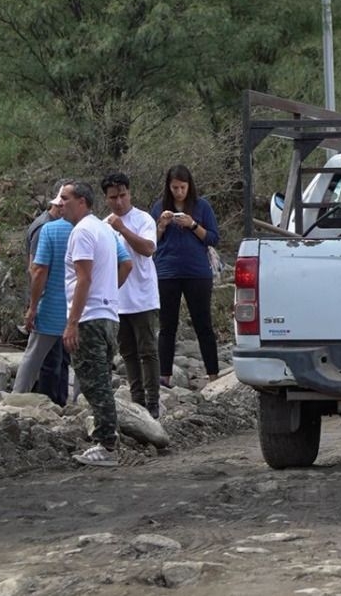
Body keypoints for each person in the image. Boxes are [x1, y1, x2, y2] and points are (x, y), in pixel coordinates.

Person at [60, 181, 125, 467]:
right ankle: (108, 438)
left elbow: (83, 278)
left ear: (82, 201)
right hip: (108, 315)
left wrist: (72, 322)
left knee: (94, 383)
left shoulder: (84, 231)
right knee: (100, 382)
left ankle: (106, 444)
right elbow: (125, 265)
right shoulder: (105, 229)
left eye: (66, 198)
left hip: (91, 317)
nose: (61, 203)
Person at [152, 165, 221, 386]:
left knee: (203, 324)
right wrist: (161, 225)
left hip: (197, 273)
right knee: (167, 326)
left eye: (182, 187)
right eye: (174, 187)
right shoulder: (159, 207)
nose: (178, 192)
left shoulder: (202, 207)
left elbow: (212, 238)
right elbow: (150, 242)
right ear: (168, 187)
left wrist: (192, 224)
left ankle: (213, 374)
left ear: (189, 186)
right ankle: (164, 376)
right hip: (167, 273)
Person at [103, 172, 161, 418]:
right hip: (117, 298)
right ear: (106, 198)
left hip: (143, 296)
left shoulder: (143, 219)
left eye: (123, 195)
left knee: (147, 350)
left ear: (130, 194)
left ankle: (153, 403)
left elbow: (148, 249)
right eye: (113, 197)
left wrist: (123, 229)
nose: (119, 202)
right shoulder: (103, 223)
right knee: (127, 351)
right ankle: (137, 400)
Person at [17, 189, 73, 405]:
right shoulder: (45, 228)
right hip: (48, 301)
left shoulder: (58, 225)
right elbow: (36, 269)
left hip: (55, 303)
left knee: (57, 357)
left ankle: (57, 400)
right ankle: (43, 401)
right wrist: (34, 306)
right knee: (49, 359)